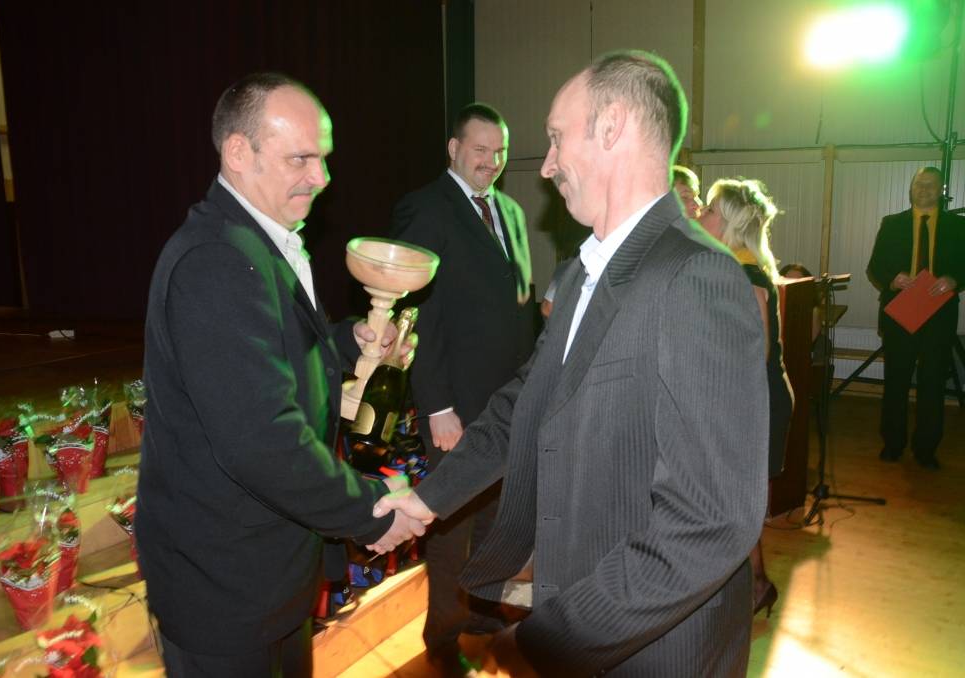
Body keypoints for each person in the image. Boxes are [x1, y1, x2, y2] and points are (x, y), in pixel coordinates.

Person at [376, 51, 769, 676]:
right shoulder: (592, 267)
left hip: (652, 647)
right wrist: (425, 502)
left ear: (612, 128)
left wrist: (554, 638)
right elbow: (523, 404)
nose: (547, 164)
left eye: (557, 138)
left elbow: (711, 521)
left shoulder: (696, 276)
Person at [136, 72, 423, 677]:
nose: (322, 177)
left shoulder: (256, 240)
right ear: (239, 153)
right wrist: (372, 509)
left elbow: (276, 352)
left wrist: (348, 341)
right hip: (225, 586)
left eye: (324, 158)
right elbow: (261, 442)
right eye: (301, 159)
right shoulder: (217, 260)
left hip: (264, 572)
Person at [388, 102, 537, 673]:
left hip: (508, 406)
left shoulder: (512, 212)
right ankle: (442, 634)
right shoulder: (425, 208)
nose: (491, 162)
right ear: (453, 149)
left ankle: (480, 610)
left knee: (498, 518)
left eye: (499, 152)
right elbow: (418, 314)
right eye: (479, 150)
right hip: (455, 406)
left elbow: (518, 307)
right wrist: (437, 407)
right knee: (450, 526)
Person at [699, 178, 794, 619]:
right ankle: (754, 584)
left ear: (731, 224)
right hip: (747, 400)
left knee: (739, 502)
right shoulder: (735, 267)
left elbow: (756, 354)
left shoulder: (745, 275)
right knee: (737, 500)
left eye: (710, 210)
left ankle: (753, 585)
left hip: (755, 403)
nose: (701, 215)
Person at [867, 167, 965, 471]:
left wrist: (954, 279)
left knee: (933, 381)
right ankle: (893, 443)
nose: (924, 189)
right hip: (901, 309)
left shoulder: (958, 226)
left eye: (931, 184)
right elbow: (875, 266)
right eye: (919, 184)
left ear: (941, 191)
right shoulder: (892, 223)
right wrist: (892, 278)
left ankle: (926, 448)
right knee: (896, 378)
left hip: (940, 312)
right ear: (911, 189)